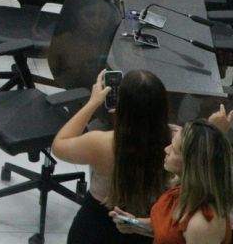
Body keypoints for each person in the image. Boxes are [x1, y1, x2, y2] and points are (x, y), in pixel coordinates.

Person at [51, 69, 172, 244]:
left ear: (120, 106)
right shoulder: (177, 141)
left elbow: (59, 144)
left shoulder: (100, 143)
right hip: (146, 229)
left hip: (96, 227)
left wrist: (93, 102)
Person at [112, 120, 233, 244]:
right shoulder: (184, 191)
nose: (166, 149)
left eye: (174, 150)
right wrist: (136, 224)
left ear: (191, 163)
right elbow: (171, 234)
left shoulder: (202, 224)